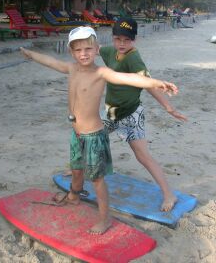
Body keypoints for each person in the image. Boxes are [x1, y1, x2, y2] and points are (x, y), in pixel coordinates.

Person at [20, 26, 178, 234]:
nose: (83, 54)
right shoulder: (72, 68)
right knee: (76, 170)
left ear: (96, 50)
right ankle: (74, 197)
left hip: (93, 135)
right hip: (76, 133)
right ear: (71, 52)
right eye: (78, 50)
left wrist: (157, 82)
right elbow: (50, 62)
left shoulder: (101, 72)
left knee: (96, 179)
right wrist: (30, 54)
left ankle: (105, 219)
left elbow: (130, 78)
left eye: (88, 49)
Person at [99, 18, 188, 212]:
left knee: (142, 156)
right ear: (113, 38)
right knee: (90, 138)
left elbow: (147, 84)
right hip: (111, 112)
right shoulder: (109, 52)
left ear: (134, 40)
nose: (122, 43)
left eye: (127, 40)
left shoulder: (133, 58)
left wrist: (168, 107)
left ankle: (169, 194)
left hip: (131, 115)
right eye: (118, 39)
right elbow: (94, 48)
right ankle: (77, 173)